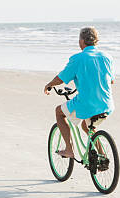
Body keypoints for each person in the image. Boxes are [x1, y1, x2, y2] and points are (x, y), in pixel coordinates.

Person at [44, 26, 115, 158]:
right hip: (106, 104)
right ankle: (101, 155)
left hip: (87, 103)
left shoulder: (78, 58)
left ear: (82, 41)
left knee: (59, 112)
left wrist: (49, 85)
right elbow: (111, 81)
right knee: (86, 126)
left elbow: (61, 78)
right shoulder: (107, 57)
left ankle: (69, 150)